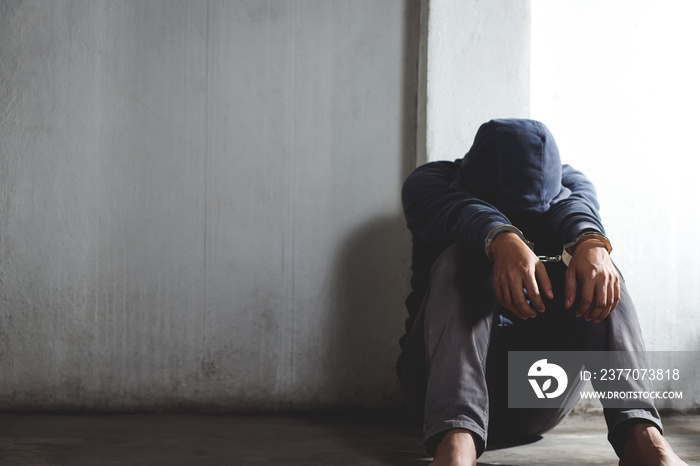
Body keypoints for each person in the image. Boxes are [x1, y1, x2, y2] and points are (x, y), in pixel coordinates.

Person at [396, 119, 687, 466]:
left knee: (597, 267)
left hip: (536, 390)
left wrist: (591, 243)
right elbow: (462, 213)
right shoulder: (430, 182)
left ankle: (642, 437)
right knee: (462, 254)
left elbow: (575, 207)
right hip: (436, 390)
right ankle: (456, 445)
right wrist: (500, 238)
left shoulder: (569, 182)